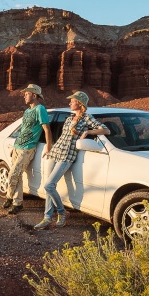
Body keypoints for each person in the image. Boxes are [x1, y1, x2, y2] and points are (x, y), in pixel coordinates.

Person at [34, 91, 110, 230]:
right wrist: (50, 149)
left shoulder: (86, 118)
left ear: (79, 103)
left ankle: (62, 213)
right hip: (56, 151)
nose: (69, 103)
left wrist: (88, 132)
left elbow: (105, 130)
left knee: (49, 186)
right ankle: (47, 218)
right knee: (49, 185)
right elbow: (62, 137)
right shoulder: (69, 119)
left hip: (68, 154)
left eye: (72, 101)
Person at [3, 84, 53, 214]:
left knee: (13, 173)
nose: (24, 96)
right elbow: (23, 131)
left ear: (34, 95)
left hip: (28, 148)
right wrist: (14, 146)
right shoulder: (27, 111)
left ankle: (8, 196)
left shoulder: (40, 109)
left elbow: (46, 129)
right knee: (17, 175)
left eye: (27, 93)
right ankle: (17, 203)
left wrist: (48, 147)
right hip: (18, 146)